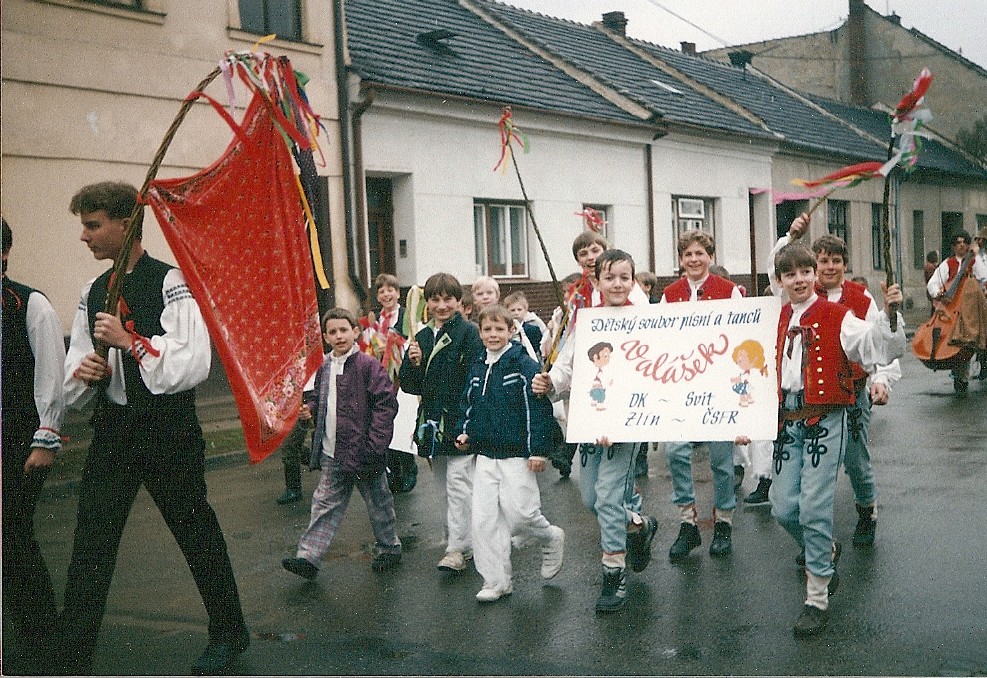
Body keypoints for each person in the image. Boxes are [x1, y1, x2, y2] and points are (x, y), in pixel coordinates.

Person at [57, 182, 248, 675]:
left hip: (167, 431)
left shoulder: (170, 281)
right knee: (92, 539)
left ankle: (230, 631)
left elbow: (190, 361)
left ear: (126, 225)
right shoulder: (92, 291)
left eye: (93, 225)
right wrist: (86, 372)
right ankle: (72, 654)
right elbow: (78, 360)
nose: (84, 236)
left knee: (195, 531)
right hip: (114, 431)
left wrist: (130, 341)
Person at [748, 241, 905, 637]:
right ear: (780, 281)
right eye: (790, 274)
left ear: (814, 276)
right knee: (783, 507)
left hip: (826, 419)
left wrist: (890, 315)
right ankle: (825, 550)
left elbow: (874, 348)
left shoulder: (839, 315)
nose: (799, 280)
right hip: (789, 420)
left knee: (814, 506)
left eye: (805, 272)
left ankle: (816, 595)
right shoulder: (779, 317)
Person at [533, 249, 658, 614]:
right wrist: (549, 382)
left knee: (607, 498)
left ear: (633, 282)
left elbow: (651, 371)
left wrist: (619, 418)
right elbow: (568, 366)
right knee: (591, 499)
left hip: (624, 426)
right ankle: (638, 524)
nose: (617, 284)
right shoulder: (586, 320)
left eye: (624, 277)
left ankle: (613, 573)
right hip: (588, 423)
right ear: (598, 281)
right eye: (610, 277)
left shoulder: (647, 319)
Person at [771, 220, 902, 548]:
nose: (829, 267)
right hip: (804, 402)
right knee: (801, 472)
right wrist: (791, 236)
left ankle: (866, 508)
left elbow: (876, 340)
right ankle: (815, 541)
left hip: (850, 391)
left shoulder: (859, 299)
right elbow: (779, 265)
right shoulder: (798, 296)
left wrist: (882, 379)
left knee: (855, 456)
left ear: (844, 265)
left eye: (835, 261)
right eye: (824, 259)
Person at [453, 304, 565, 602]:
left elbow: (537, 409)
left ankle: (549, 536)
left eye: (499, 329)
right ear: (480, 332)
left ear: (511, 331)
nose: (493, 335)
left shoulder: (522, 364)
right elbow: (469, 403)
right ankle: (496, 580)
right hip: (486, 455)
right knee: (484, 519)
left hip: (517, 454)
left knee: (523, 513)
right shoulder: (477, 365)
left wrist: (538, 451)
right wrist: (465, 431)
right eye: (487, 329)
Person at [282, 308, 401, 580]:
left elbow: (385, 405)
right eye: (332, 332)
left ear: (355, 332)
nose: (338, 336)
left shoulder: (368, 366)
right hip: (331, 451)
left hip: (364, 452)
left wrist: (375, 445)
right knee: (324, 503)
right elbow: (316, 397)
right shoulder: (322, 366)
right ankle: (309, 557)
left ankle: (389, 547)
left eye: (343, 330)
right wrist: (309, 409)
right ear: (325, 337)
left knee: (378, 501)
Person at [2, 218, 66, 676]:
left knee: (12, 537)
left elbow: (51, 374)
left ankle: (44, 635)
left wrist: (46, 436)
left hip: (17, 442)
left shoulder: (28, 303)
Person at [659, 230, 744, 560]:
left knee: (721, 460)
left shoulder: (729, 291)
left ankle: (723, 522)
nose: (694, 259)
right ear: (680, 259)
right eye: (687, 254)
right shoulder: (670, 293)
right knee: (675, 451)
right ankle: (688, 522)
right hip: (682, 384)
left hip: (718, 385)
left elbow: (740, 335)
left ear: (711, 256)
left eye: (700, 253)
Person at [399, 273, 484, 572]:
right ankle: (468, 539)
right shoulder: (420, 337)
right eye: (435, 299)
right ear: (427, 303)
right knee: (445, 487)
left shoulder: (470, 333)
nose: (442, 305)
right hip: (432, 423)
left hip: (459, 420)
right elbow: (411, 386)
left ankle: (457, 548)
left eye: (448, 299)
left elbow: (474, 377)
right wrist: (413, 364)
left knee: (460, 484)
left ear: (460, 301)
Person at [360, 273, 418, 493]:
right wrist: (376, 348)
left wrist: (395, 346)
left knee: (402, 422)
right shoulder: (375, 320)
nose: (386, 294)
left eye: (390, 290)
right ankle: (393, 471)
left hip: (402, 377)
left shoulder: (406, 316)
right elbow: (367, 346)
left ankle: (409, 467)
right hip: (383, 378)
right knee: (386, 422)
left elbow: (413, 340)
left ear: (398, 292)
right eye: (381, 291)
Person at [925, 230, 987, 393]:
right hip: (951, 309)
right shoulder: (947, 264)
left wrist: (976, 256)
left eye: (965, 242)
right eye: (958, 242)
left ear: (968, 245)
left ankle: (977, 366)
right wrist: (937, 293)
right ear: (953, 246)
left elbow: (984, 278)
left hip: (971, 309)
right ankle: (961, 375)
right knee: (960, 343)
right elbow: (932, 284)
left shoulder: (974, 262)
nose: (962, 245)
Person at [274, 410, 310, 504]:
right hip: (287, 412)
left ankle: (294, 490)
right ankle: (318, 462)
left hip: (299, 411)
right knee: (294, 447)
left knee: (289, 446)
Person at [504, 289, 546, 360]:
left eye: (519, 310)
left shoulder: (533, 328)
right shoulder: (505, 329)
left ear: (525, 310)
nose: (516, 313)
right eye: (512, 310)